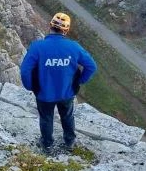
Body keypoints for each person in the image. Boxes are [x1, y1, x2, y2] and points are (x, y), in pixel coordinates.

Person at [20, 12, 97, 151]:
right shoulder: (74, 47)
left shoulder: (37, 47)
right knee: (67, 116)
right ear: (66, 31)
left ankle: (47, 144)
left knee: (46, 118)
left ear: (50, 26)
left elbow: (25, 70)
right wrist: (80, 80)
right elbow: (91, 66)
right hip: (66, 92)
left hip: (44, 93)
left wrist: (30, 86)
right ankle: (69, 142)